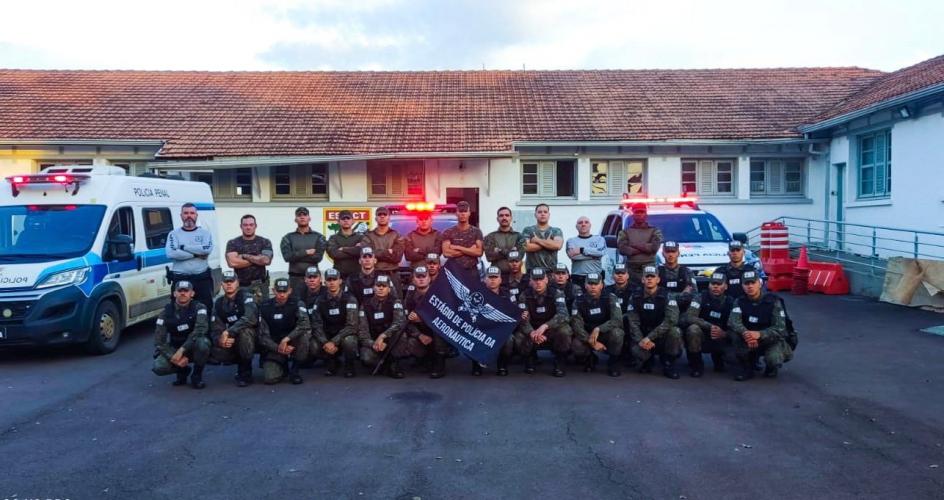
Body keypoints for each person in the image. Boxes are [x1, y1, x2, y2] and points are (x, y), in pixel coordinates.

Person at [727, 270, 793, 381]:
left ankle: (771, 367)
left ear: (760, 283)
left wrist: (759, 334)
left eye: (753, 283)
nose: (750, 286)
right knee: (732, 343)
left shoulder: (773, 301)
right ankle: (747, 366)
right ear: (742, 286)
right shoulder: (739, 301)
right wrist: (746, 334)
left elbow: (780, 328)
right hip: (748, 338)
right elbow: (733, 321)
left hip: (770, 339)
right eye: (746, 283)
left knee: (774, 359)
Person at [625, 265, 681, 379]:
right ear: (643, 279)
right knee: (637, 350)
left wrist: (649, 338)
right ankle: (647, 360)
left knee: (675, 332)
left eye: (652, 276)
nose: (650, 279)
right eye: (647, 276)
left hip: (661, 336)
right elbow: (633, 322)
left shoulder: (668, 296)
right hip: (643, 335)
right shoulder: (635, 296)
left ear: (658, 279)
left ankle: (669, 364)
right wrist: (641, 340)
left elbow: (671, 320)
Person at [152, 281, 211, 389]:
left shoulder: (200, 307)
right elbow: (159, 341)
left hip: (193, 347)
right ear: (175, 293)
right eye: (180, 291)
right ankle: (182, 370)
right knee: (158, 367)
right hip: (175, 347)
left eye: (186, 291)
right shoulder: (165, 313)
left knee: (203, 343)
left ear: (192, 293)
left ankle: (196, 375)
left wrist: (182, 350)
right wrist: (173, 356)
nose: (183, 293)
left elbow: (200, 330)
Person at [515, 268, 572, 377]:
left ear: (546, 280)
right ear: (530, 281)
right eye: (535, 280)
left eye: (541, 279)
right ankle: (530, 358)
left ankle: (559, 360)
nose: (538, 282)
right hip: (533, 329)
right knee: (519, 336)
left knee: (564, 331)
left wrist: (545, 326)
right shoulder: (524, 295)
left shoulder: (557, 293)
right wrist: (532, 332)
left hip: (550, 328)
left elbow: (563, 315)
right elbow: (523, 318)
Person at [257, 278, 310, 385]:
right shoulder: (264, 306)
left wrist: (287, 339)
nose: (282, 294)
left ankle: (295, 370)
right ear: (273, 290)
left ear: (290, 290)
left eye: (284, 291)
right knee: (270, 378)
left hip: (292, 342)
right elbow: (262, 335)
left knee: (305, 335)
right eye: (279, 291)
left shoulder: (298, 303)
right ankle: (282, 365)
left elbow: (304, 324)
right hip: (273, 344)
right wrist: (278, 348)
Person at [209, 271, 258, 387]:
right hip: (233, 338)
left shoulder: (247, 297)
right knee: (212, 345)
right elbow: (215, 328)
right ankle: (234, 358)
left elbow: (250, 319)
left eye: (232, 281)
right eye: (226, 282)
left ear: (238, 283)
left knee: (245, 332)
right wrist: (221, 339)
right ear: (222, 284)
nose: (229, 284)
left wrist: (228, 332)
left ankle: (246, 371)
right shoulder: (219, 303)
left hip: (256, 337)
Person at [309, 268, 361, 378]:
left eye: (334, 279)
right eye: (329, 280)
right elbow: (316, 324)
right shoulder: (320, 300)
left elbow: (352, 325)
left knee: (350, 341)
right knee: (313, 346)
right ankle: (332, 361)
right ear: (325, 282)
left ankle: (349, 365)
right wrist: (325, 342)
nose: (332, 282)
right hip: (328, 335)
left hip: (344, 334)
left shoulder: (350, 299)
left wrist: (334, 341)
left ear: (340, 281)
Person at [571, 273, 624, 377]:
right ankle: (590, 358)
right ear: (585, 285)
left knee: (618, 333)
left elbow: (617, 320)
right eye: (590, 284)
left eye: (596, 284)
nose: (593, 287)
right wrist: (591, 342)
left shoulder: (610, 297)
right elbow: (576, 325)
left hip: (606, 332)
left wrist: (599, 328)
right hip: (588, 334)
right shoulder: (578, 300)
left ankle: (613, 362)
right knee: (576, 345)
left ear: (602, 285)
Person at [683, 272, 735, 377]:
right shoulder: (700, 297)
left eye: (719, 284)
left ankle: (719, 360)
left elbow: (736, 325)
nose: (715, 286)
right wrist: (710, 326)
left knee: (734, 358)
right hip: (704, 335)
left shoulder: (731, 302)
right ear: (709, 285)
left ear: (726, 286)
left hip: (721, 337)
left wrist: (724, 334)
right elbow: (690, 316)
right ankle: (696, 365)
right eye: (713, 283)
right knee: (693, 329)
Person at [357, 274, 409, 378]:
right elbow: (363, 331)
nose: (381, 288)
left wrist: (383, 336)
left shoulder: (396, 302)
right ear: (373, 288)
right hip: (374, 341)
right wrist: (373, 344)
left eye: (384, 286)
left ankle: (394, 364)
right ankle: (384, 364)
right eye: (378, 285)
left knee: (401, 335)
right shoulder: (365, 305)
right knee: (366, 358)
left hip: (390, 341)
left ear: (389, 289)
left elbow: (399, 323)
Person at [402, 266, 450, 378]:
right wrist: (419, 335)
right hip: (421, 331)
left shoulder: (438, 294)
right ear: (413, 280)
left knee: (439, 332)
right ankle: (423, 359)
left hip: (438, 330)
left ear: (429, 279)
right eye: (418, 277)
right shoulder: (410, 296)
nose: (421, 279)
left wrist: (423, 318)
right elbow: (405, 320)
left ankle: (439, 364)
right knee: (408, 338)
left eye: (424, 276)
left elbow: (444, 318)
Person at [165, 203, 215, 308]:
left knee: (206, 310)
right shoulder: (173, 234)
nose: (189, 216)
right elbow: (171, 253)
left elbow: (206, 250)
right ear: (181, 216)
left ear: (196, 215)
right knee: (178, 312)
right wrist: (196, 255)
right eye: (186, 213)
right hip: (180, 278)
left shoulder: (205, 233)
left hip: (202, 279)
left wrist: (183, 247)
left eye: (192, 213)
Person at [224, 214, 273, 303]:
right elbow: (232, 263)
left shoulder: (264, 242)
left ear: (255, 226)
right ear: (241, 226)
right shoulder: (233, 243)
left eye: (251, 225)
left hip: (260, 286)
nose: (248, 227)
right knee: (243, 313)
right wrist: (257, 259)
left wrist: (244, 256)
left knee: (263, 312)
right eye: (245, 225)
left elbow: (266, 260)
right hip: (240, 286)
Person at [280, 207, 328, 296]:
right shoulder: (288, 238)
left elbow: (317, 258)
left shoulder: (319, 237)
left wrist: (296, 255)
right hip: (295, 279)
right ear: (295, 219)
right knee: (296, 306)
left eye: (305, 215)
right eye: (299, 215)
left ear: (309, 218)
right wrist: (306, 252)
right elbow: (287, 257)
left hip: (313, 279)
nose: (302, 217)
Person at [617, 202, 663, 284]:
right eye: (637, 212)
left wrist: (633, 245)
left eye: (642, 212)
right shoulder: (625, 232)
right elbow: (623, 249)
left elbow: (654, 247)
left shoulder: (654, 231)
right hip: (631, 268)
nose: (639, 215)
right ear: (633, 215)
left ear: (646, 215)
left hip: (649, 268)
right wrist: (645, 248)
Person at [482, 266, 516, 376]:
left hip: (501, 329)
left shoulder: (508, 295)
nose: (492, 280)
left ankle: (502, 364)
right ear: (485, 279)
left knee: (509, 339)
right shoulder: (478, 294)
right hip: (483, 328)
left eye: (495, 277)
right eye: (490, 277)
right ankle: (476, 364)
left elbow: (515, 312)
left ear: (500, 279)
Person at [441, 201, 484, 275]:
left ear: (469, 213)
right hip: (454, 271)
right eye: (460, 211)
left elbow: (479, 252)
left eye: (465, 211)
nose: (463, 214)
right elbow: (446, 253)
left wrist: (457, 247)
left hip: (471, 270)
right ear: (456, 213)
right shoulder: (448, 232)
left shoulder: (476, 232)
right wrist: (470, 250)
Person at [359, 206, 403, 277]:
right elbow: (367, 255)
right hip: (373, 275)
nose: (382, 216)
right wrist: (387, 252)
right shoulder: (368, 236)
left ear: (389, 218)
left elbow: (397, 258)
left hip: (392, 274)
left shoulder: (397, 235)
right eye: (379, 215)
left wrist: (375, 253)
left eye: (385, 214)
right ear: (376, 218)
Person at [484, 206, 525, 279]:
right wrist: (512, 251)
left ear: (511, 218)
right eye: (501, 215)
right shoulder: (490, 236)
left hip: (515, 277)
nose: (504, 218)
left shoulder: (519, 236)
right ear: (497, 219)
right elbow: (489, 257)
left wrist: (499, 250)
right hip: (496, 277)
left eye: (507, 215)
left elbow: (519, 256)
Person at [521, 204, 564, 272]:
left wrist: (537, 240)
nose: (542, 214)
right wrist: (548, 244)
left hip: (551, 272)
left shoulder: (556, 231)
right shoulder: (528, 230)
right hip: (532, 271)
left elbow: (557, 246)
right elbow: (525, 247)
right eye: (540, 212)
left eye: (545, 212)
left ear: (549, 215)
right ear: (535, 214)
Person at [566, 216, 607, 287]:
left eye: (586, 222)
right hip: (578, 278)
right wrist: (594, 255)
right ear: (576, 226)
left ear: (590, 225)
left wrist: (582, 250)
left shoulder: (599, 239)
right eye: (580, 223)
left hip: (595, 277)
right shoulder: (571, 241)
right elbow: (574, 257)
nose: (583, 224)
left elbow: (601, 252)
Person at [658, 241, 697, 312]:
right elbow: (653, 296)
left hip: (682, 310)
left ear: (678, 253)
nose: (670, 255)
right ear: (663, 253)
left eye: (673, 252)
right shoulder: (657, 272)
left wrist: (665, 295)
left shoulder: (687, 272)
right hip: (661, 311)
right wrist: (682, 294)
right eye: (667, 252)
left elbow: (693, 295)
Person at [326, 210, 364, 280]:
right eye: (343, 219)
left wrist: (343, 249)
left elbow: (360, 252)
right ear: (338, 221)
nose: (346, 220)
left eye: (348, 218)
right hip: (339, 276)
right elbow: (334, 254)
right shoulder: (333, 238)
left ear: (353, 221)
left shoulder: (360, 237)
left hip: (357, 275)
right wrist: (353, 250)